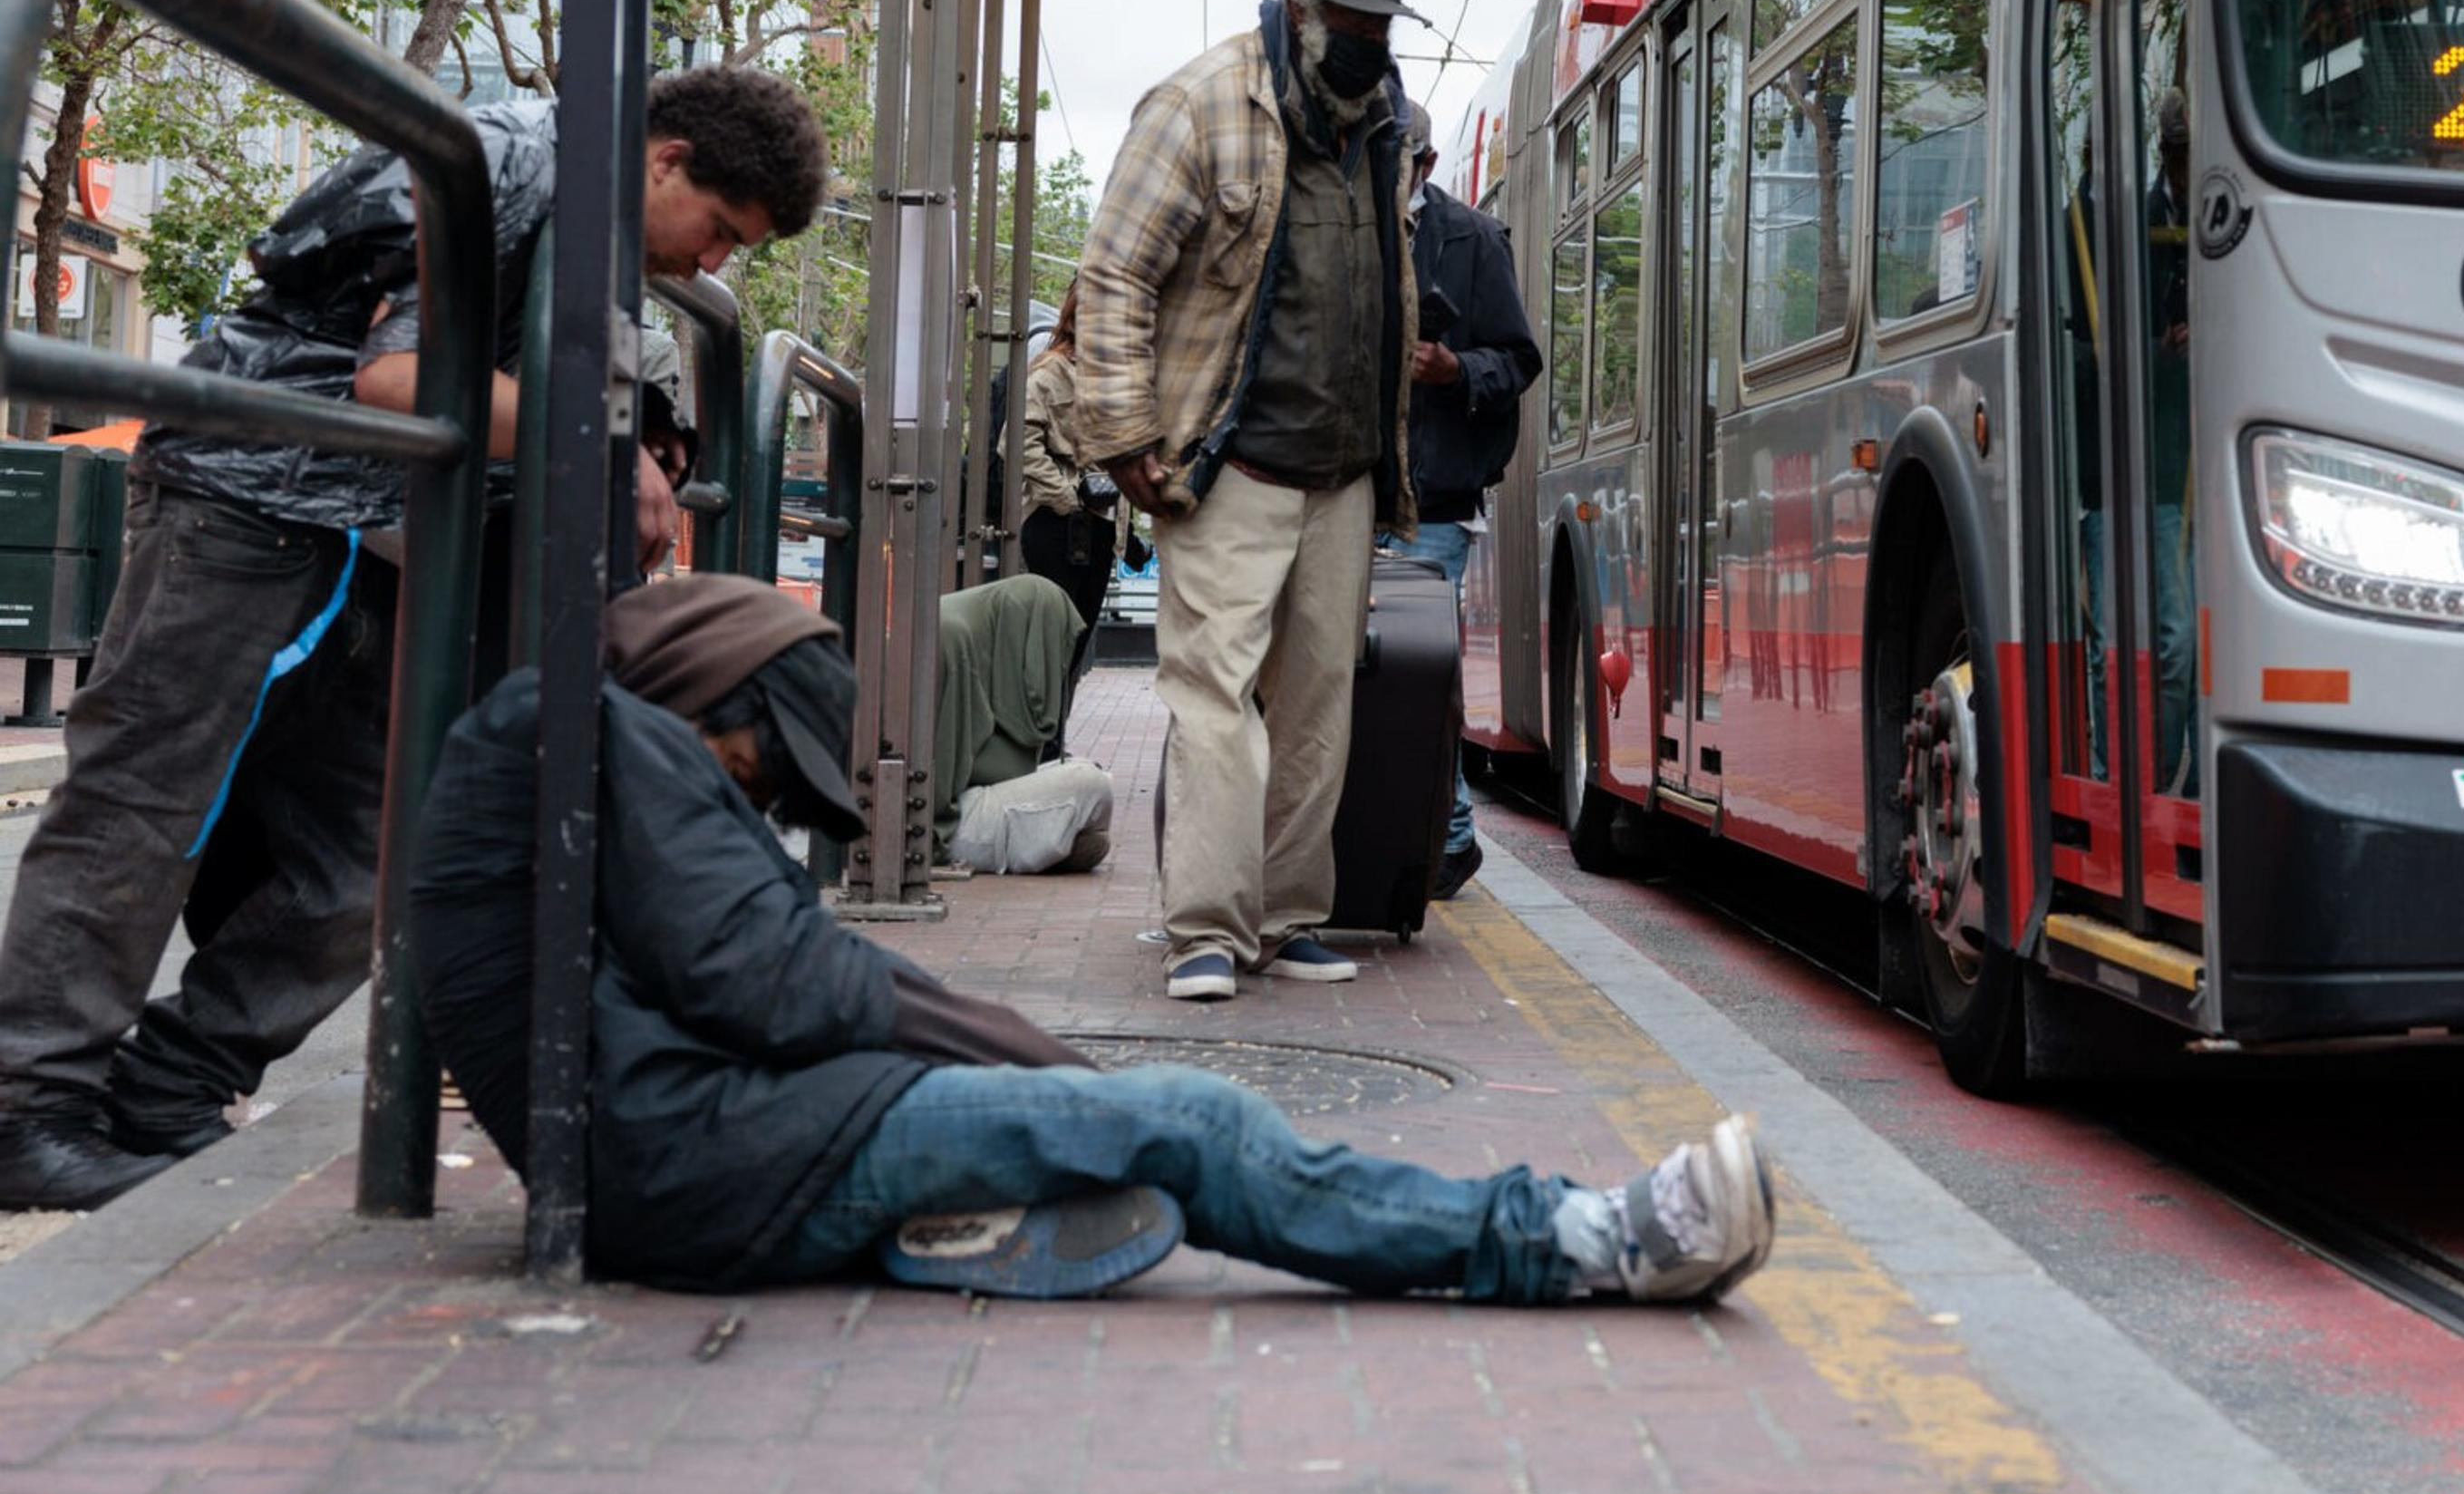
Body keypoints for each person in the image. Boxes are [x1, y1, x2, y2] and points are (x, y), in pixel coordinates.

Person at [406, 575, 1774, 1305]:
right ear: (713, 696)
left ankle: (952, 1210)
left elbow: (731, 973)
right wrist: (1032, 1059)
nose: (765, 801)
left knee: (1096, 1113)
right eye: (771, 772)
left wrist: (1019, 1069)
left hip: (700, 1146)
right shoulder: (600, 737)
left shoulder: (561, 740)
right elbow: (779, 979)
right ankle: (1577, 1239)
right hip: (717, 1167)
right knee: (1188, 1120)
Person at [0, 65, 830, 1211]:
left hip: (384, 530)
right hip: (253, 495)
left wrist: (648, 429)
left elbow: (544, 369)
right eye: (721, 230)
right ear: (665, 160)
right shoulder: (500, 161)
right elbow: (399, 376)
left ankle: (176, 1078)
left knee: (383, 841)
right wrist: (608, 437)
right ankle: (28, 1105)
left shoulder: (592, 220)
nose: (713, 265)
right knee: (147, 801)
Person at [1075, 0, 1421, 1004]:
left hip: (1343, 470)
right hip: (1230, 468)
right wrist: (1124, 434)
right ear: (1301, 11)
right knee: (1215, 700)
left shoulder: (1387, 126)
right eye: (1354, 28)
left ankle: (1286, 916)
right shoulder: (1201, 103)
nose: (1370, 46)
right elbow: (1117, 272)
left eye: (1382, 30)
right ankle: (1206, 931)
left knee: (1320, 707)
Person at [1381, 98, 1540, 901]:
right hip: (1343, 491)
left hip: (1435, 503)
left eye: (1395, 160)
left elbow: (1517, 360)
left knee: (1420, 675)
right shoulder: (1336, 225)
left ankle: (1449, 832)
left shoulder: (1473, 238)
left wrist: (1454, 370)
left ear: (1426, 166)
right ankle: (1395, 832)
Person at [933, 572, 1116, 875]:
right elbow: (944, 777)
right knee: (1094, 785)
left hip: (959, 807)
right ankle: (1055, 842)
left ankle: (1053, 841)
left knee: (1086, 783)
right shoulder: (952, 639)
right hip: (942, 827)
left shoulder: (976, 634)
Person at [1006, 279, 1120, 676]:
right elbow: (1016, 443)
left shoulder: (1113, 377)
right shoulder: (1052, 370)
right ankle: (1041, 738)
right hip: (1058, 523)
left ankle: (1054, 736)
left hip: (1100, 523)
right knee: (1052, 645)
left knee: (1074, 648)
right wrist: (1066, 495)